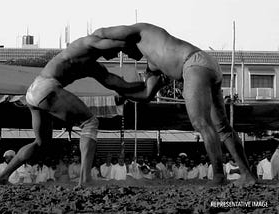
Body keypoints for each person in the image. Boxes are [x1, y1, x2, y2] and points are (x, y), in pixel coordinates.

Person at [93, 22, 255, 185]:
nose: (127, 56)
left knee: (201, 123)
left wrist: (88, 52)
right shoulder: (153, 64)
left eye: (120, 52)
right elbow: (146, 95)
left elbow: (101, 32)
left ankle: (219, 176)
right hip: (207, 65)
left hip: (193, 64)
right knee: (222, 127)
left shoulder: (143, 31)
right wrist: (123, 93)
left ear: (123, 44)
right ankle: (248, 175)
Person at [0, 34, 145, 188]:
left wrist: (145, 85)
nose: (114, 56)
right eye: (117, 52)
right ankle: (85, 179)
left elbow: (118, 84)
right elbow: (115, 42)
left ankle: (2, 177)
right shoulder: (88, 44)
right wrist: (135, 50)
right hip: (47, 87)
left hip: (33, 91)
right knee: (90, 123)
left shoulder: (93, 64)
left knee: (40, 142)